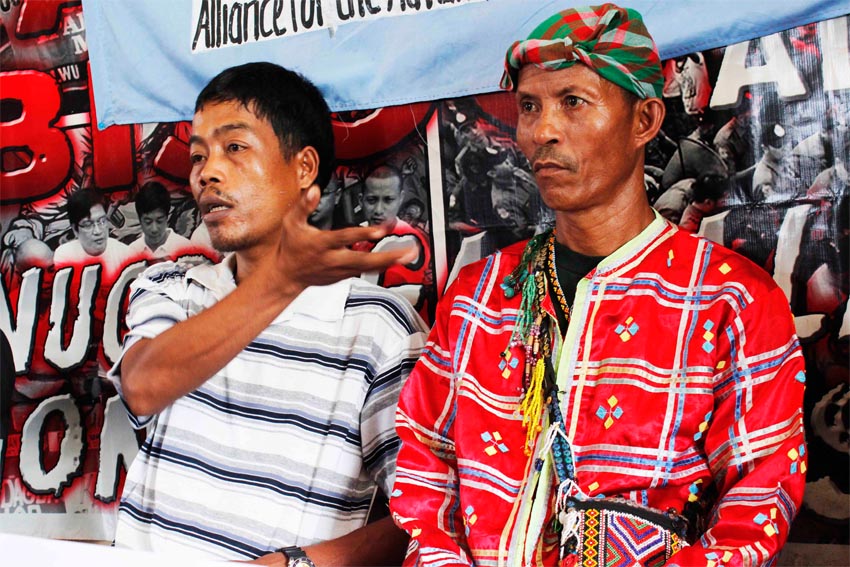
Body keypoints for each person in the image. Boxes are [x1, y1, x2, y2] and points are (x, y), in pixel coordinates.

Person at [389, 5, 806, 567]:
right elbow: (425, 461)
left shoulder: (733, 299)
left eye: (573, 103)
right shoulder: (479, 294)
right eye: (530, 106)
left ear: (644, 121)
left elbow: (757, 503)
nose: (542, 132)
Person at [108, 62, 428, 564]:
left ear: (303, 168)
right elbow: (144, 386)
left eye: (235, 147)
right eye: (198, 156)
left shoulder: (377, 326)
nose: (207, 172)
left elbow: (423, 517)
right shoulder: (170, 286)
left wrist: (296, 564)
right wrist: (280, 281)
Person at [352, 165, 433, 320]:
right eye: (372, 200)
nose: (379, 209)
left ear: (401, 199)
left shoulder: (408, 239)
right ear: (361, 200)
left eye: (388, 200)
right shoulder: (356, 237)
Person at [53, 188, 131, 277]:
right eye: (88, 224)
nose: (97, 231)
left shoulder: (124, 253)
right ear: (75, 229)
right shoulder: (65, 256)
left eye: (102, 221)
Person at [127, 180, 193, 260]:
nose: (154, 229)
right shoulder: (131, 253)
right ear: (140, 220)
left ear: (167, 217)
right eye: (148, 222)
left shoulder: (186, 249)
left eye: (159, 221)